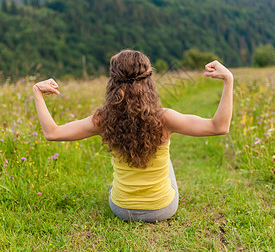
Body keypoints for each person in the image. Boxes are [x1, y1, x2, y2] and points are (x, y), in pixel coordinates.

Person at [33, 49, 233, 223]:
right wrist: (228, 80)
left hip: (121, 209)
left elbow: (53, 133)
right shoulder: (165, 118)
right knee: (166, 158)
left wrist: (37, 92)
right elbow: (219, 127)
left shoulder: (103, 119)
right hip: (163, 209)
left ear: (113, 82)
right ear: (149, 81)